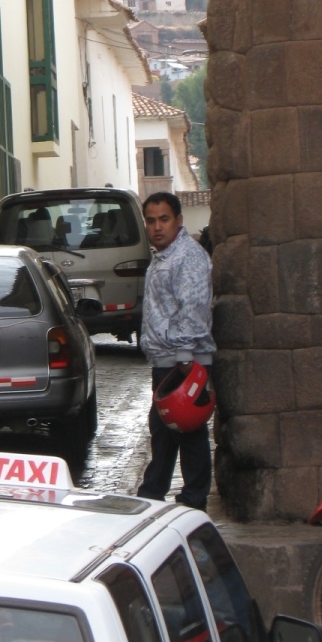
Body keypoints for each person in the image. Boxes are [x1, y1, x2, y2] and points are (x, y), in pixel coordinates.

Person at [136, 191, 216, 510]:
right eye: (151, 220)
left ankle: (191, 499)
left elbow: (193, 306)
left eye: (164, 219)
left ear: (178, 221)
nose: (157, 227)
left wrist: (184, 354)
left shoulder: (188, 257)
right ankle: (152, 493)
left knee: (188, 430)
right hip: (167, 360)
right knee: (163, 431)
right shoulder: (163, 257)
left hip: (183, 361)